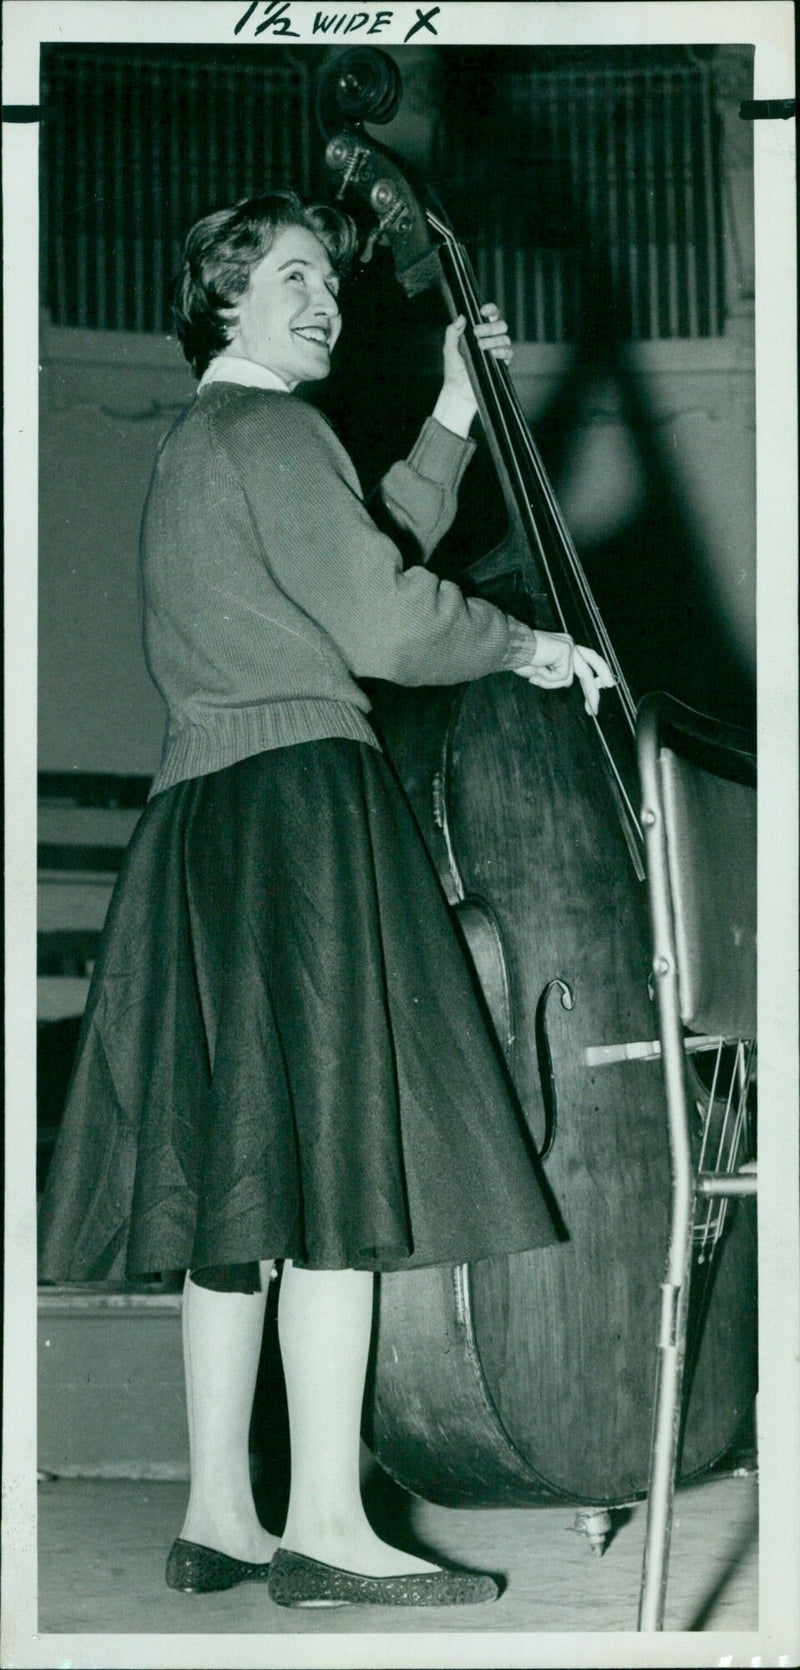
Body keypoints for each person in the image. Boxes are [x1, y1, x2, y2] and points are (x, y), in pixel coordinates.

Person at [39, 190, 614, 1610]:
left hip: (203, 826)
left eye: (333, 285)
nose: (327, 301)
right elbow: (382, 616)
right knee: (346, 1174)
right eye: (293, 277)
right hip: (305, 811)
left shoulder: (209, 444)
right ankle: (329, 1525)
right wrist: (529, 646)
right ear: (222, 297)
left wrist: (452, 418)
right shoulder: (277, 434)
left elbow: (356, 547)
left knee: (245, 1185)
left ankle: (223, 1514)